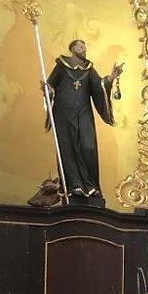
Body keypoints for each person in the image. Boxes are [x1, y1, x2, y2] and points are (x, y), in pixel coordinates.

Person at [41, 40, 123, 201]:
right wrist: (47, 90)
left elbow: (99, 87)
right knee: (67, 148)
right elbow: (50, 86)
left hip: (84, 114)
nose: (84, 50)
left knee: (88, 147)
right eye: (80, 47)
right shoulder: (61, 66)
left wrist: (111, 78)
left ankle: (91, 186)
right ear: (72, 49)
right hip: (63, 115)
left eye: (85, 47)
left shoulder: (89, 69)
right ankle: (74, 186)